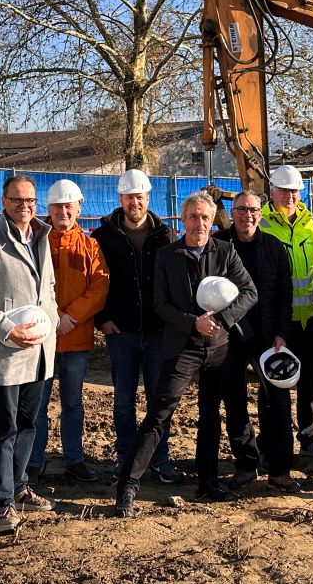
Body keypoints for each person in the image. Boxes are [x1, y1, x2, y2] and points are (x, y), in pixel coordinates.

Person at [115, 192, 257, 517]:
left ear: (211, 219)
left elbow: (249, 292)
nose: (199, 223)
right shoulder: (168, 255)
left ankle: (208, 483)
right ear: (183, 220)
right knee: (159, 415)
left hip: (219, 348)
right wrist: (193, 323)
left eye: (205, 217)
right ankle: (127, 487)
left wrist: (220, 320)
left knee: (210, 416)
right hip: (183, 347)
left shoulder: (225, 250)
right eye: (193, 217)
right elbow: (160, 304)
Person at [0, 175, 59, 532]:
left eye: (30, 200)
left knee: (29, 423)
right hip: (6, 349)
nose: (25, 206)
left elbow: (47, 287)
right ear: (4, 202)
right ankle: (3, 503)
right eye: (17, 200)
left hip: (38, 350)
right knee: (4, 428)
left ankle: (21, 487)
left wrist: (48, 322)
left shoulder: (42, 237)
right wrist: (7, 328)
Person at [91, 169, 183, 484]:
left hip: (159, 333)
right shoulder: (102, 237)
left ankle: (160, 458)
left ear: (148, 197)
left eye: (140, 196)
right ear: (121, 199)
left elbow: (177, 283)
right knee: (123, 400)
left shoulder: (166, 235)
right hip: (122, 333)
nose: (135, 202)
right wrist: (101, 319)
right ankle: (126, 457)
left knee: (160, 401)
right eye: (129, 197)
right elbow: (95, 282)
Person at [214, 191, 301, 494]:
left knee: (276, 402)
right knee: (234, 401)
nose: (246, 215)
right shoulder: (219, 245)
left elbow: (284, 293)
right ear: (233, 212)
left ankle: (280, 469)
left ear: (260, 214)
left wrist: (281, 333)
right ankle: (246, 465)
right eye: (240, 210)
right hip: (229, 335)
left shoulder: (274, 247)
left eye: (252, 210)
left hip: (267, 336)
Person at [27, 179, 109, 483]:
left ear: (78, 208)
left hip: (75, 337)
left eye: (69, 206)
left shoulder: (90, 245)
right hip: (41, 338)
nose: (63, 211)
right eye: (58, 206)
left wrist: (71, 317)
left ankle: (74, 459)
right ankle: (34, 461)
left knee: (73, 403)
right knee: (38, 403)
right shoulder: (36, 242)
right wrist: (54, 317)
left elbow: (100, 286)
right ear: (48, 209)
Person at [259, 165, 313, 460]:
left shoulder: (310, 225)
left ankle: (309, 439)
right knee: (273, 387)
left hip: (306, 318)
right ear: (272, 192)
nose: (289, 196)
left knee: (309, 385)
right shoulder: (263, 224)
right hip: (276, 322)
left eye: (294, 191)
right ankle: (271, 447)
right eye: (284, 190)